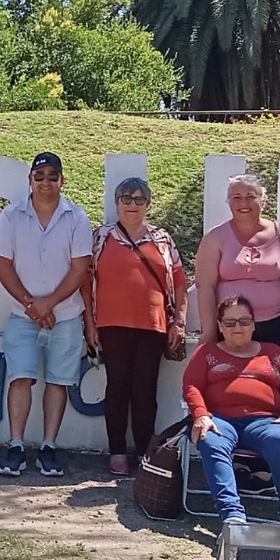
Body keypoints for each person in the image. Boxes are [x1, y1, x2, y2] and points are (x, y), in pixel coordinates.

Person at [184, 295, 280, 553]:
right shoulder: (207, 353)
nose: (237, 327)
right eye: (230, 321)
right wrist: (200, 414)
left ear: (254, 324)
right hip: (220, 419)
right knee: (210, 440)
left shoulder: (273, 353)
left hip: (265, 422)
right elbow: (191, 386)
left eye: (244, 321)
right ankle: (233, 520)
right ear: (220, 326)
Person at [0, 152, 93, 478]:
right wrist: (32, 305)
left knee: (58, 382)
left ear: (62, 180)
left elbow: (80, 268)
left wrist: (48, 304)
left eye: (52, 176)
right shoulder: (11, 216)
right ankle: (16, 446)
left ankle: (48, 446)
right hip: (23, 314)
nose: (46, 182)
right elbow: (2, 265)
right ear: (30, 180)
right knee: (20, 377)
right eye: (40, 176)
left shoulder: (77, 217)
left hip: (64, 315)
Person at [86, 177, 188, 476]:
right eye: (126, 198)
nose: (132, 204)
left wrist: (179, 321)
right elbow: (85, 281)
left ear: (148, 204)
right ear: (117, 203)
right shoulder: (101, 237)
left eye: (139, 198)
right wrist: (89, 324)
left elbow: (180, 283)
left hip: (152, 323)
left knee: (145, 389)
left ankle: (145, 451)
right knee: (117, 386)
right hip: (111, 323)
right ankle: (116, 450)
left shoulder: (162, 239)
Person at [195, 174, 280, 357]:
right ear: (230, 203)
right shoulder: (215, 238)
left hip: (277, 326)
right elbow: (205, 287)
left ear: (263, 200)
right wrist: (209, 331)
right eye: (236, 198)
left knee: (273, 381)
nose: (244, 203)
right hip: (231, 328)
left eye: (250, 196)